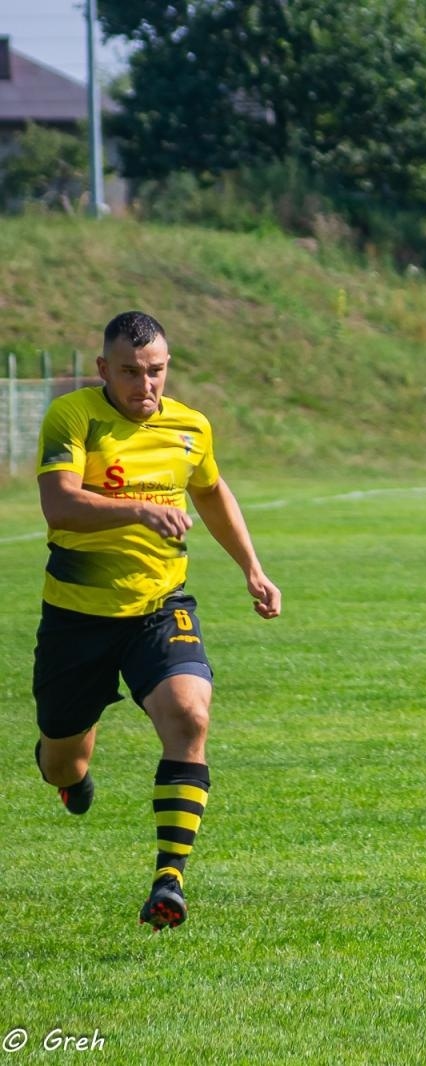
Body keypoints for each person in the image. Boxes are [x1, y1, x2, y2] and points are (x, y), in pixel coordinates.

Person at [31, 310, 282, 931]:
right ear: (102, 370)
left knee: (191, 715)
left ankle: (169, 879)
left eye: (157, 372)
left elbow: (212, 492)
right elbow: (59, 504)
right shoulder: (75, 417)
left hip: (160, 608)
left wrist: (252, 567)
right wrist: (139, 510)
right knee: (66, 759)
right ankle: (65, 773)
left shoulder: (190, 426)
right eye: (130, 373)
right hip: (77, 618)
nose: (146, 386)